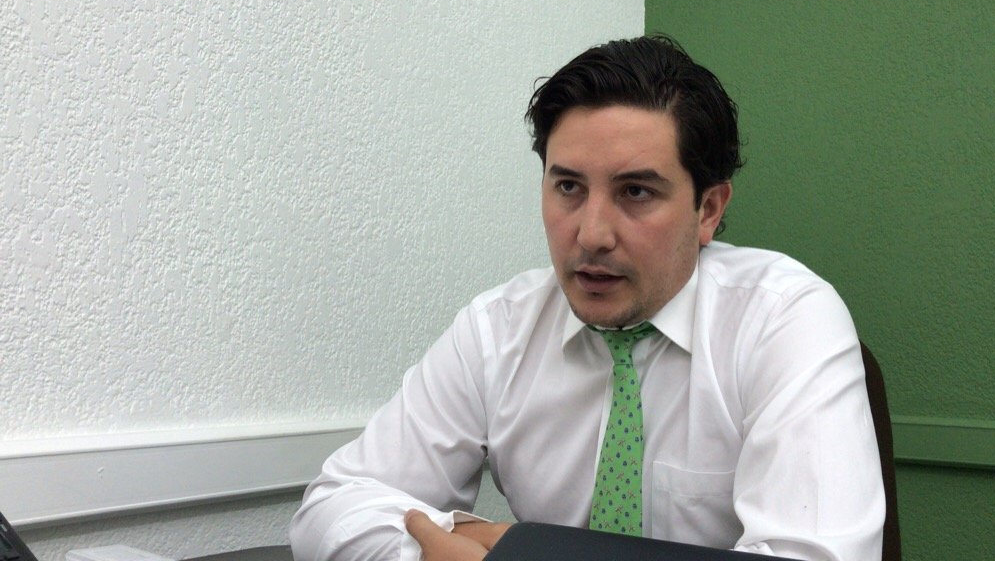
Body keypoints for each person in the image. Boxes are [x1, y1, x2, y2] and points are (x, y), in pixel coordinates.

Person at [290, 35, 885, 561]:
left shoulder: (784, 320)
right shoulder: (498, 330)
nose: (592, 234)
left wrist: (522, 554)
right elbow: (331, 508)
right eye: (569, 186)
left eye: (636, 192)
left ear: (708, 209)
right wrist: (443, 543)